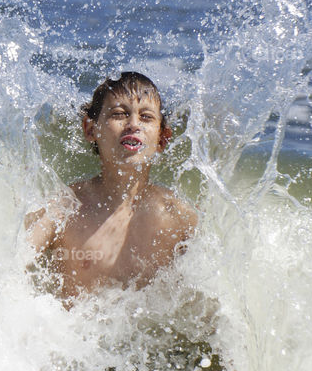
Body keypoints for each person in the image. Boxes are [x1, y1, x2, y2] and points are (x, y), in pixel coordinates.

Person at [25, 72, 198, 299]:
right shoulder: (63, 210)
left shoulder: (177, 217)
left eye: (146, 117)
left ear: (162, 139)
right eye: (119, 114)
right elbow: (7, 270)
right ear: (90, 129)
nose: (133, 124)